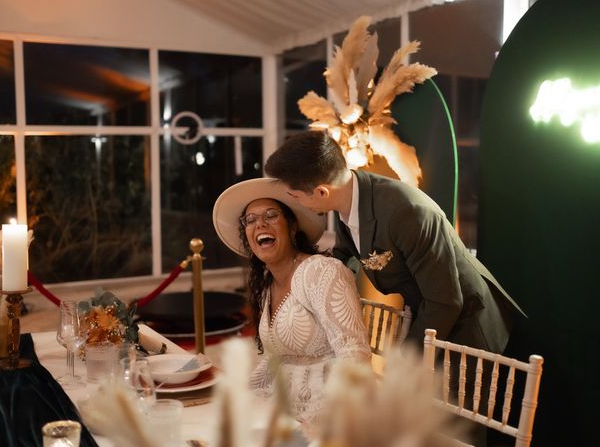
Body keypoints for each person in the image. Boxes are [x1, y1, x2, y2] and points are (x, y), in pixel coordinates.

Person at [265, 130, 525, 354]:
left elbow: (445, 301)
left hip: (467, 327)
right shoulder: (347, 198)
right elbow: (344, 258)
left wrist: (405, 362)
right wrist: (306, 287)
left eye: (295, 196)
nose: (296, 203)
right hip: (430, 315)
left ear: (322, 191)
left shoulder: (405, 213)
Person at [212, 178, 371, 432]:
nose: (260, 224)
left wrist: (321, 426)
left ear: (292, 226)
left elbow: (355, 355)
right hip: (278, 413)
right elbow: (275, 361)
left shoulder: (321, 272)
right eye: (250, 220)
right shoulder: (266, 284)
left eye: (271, 215)